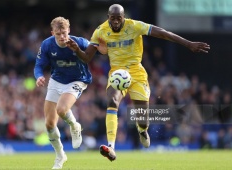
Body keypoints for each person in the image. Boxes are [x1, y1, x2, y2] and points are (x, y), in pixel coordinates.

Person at [66, 4, 210, 161]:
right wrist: (77, 50)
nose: (115, 22)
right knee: (112, 101)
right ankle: (111, 147)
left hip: (136, 73)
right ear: (108, 17)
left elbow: (163, 33)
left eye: (118, 18)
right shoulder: (100, 31)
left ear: (123, 18)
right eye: (112, 18)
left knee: (142, 117)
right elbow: (87, 57)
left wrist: (188, 44)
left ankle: (142, 130)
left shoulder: (134, 26)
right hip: (117, 73)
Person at [34, 16, 92, 169]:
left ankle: (74, 126)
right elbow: (38, 65)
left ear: (69, 31)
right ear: (52, 33)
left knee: (61, 109)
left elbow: (96, 50)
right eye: (58, 34)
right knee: (49, 124)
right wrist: (39, 76)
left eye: (64, 33)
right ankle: (60, 156)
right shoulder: (47, 45)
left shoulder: (79, 42)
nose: (62, 37)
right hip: (56, 80)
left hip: (77, 80)